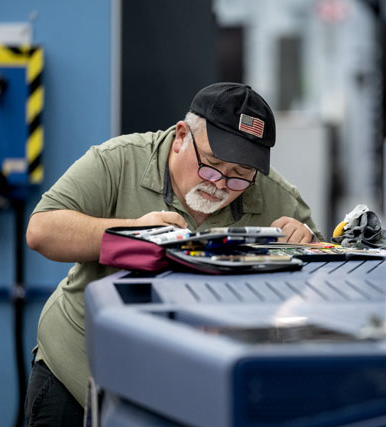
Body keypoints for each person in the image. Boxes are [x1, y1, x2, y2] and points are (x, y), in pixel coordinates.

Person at [23, 82, 323, 426]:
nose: (221, 185)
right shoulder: (118, 161)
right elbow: (42, 231)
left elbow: (317, 288)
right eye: (211, 166)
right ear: (181, 136)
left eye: (240, 177)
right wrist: (132, 233)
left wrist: (305, 245)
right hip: (78, 371)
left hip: (186, 390)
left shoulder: (274, 195)